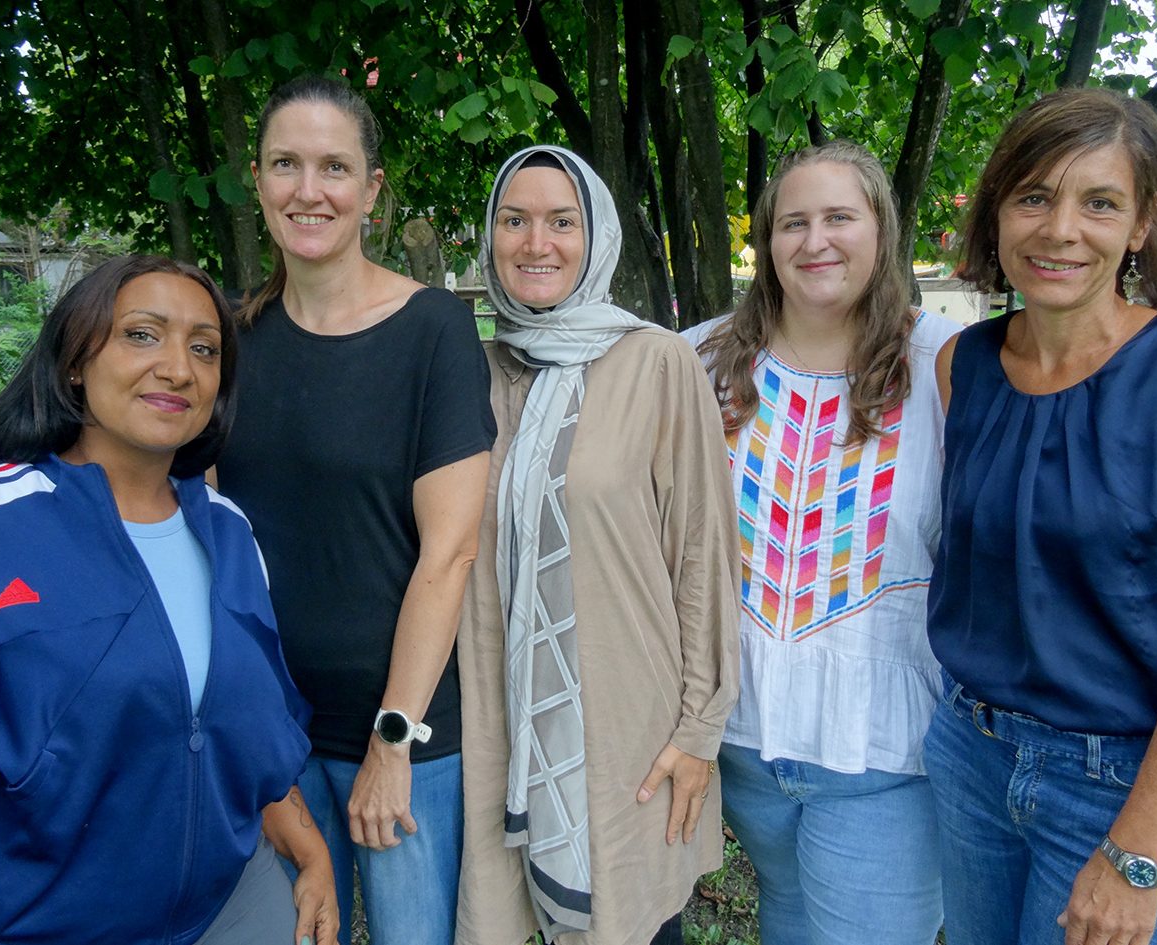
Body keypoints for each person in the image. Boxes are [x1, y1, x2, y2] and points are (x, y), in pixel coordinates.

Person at [0, 254, 338, 945]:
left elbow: (246, 731)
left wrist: (311, 851)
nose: (177, 368)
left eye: (204, 348)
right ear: (74, 360)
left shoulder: (230, 534)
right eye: (141, 334)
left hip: (231, 910)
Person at [926, 87, 1157, 945]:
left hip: (1123, 780)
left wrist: (1135, 848)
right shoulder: (963, 365)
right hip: (969, 752)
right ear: (996, 213)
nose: (1059, 230)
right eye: (1033, 196)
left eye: (1098, 203)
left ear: (1141, 224)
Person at [214, 76, 495, 945]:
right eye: (285, 164)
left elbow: (449, 551)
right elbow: (210, 539)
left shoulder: (432, 330)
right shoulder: (229, 340)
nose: (309, 190)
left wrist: (391, 740)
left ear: (371, 190)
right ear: (257, 180)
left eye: (334, 167)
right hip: (271, 734)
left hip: (402, 730)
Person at [455, 145, 738, 945]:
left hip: (629, 734)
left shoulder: (656, 362)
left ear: (598, 236)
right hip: (497, 723)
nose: (535, 243)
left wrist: (698, 729)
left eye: (561, 221)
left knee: (627, 919)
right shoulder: (472, 371)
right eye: (514, 220)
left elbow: (702, 555)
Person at [683, 140, 956, 944]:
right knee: (790, 919)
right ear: (766, 242)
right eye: (792, 223)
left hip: (884, 751)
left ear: (882, 230)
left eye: (839, 217)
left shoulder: (944, 363)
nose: (815, 241)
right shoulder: (698, 360)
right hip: (741, 743)